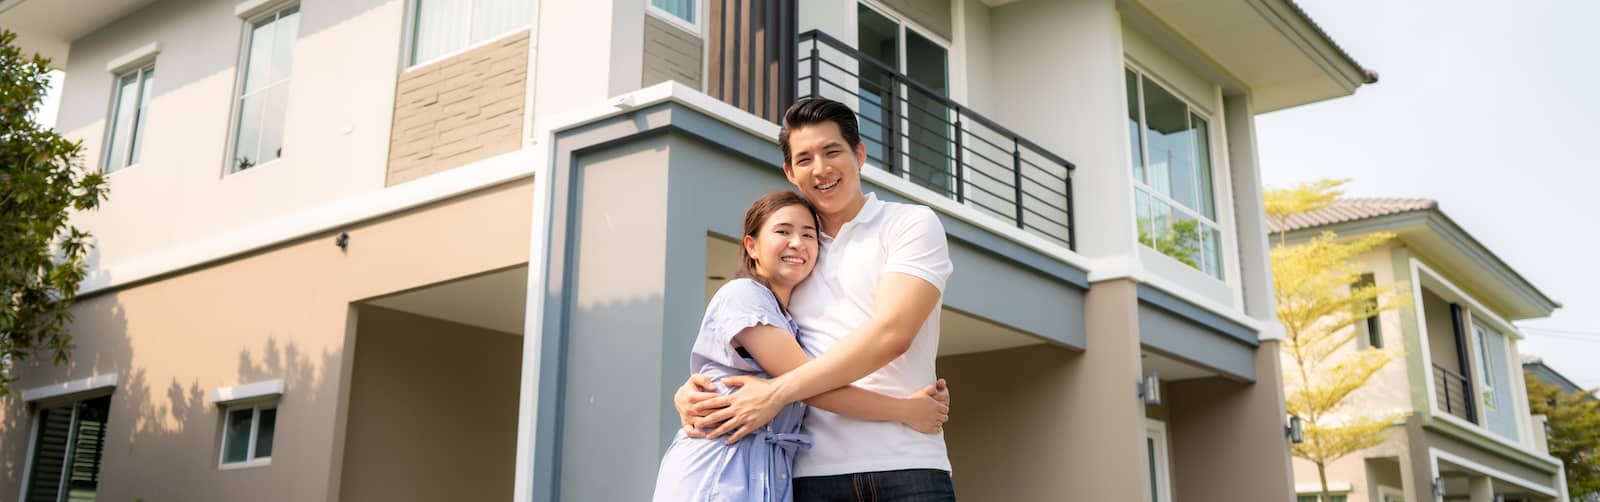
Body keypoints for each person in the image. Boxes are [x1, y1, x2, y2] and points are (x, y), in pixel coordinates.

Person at [675, 98, 959, 501]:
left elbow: (892, 333)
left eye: (832, 152)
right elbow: (751, 351)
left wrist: (776, 393)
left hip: (908, 463)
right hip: (810, 475)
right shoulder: (794, 257)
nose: (821, 169)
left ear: (859, 154)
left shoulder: (909, 224)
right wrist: (693, 392)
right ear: (790, 171)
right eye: (804, 158)